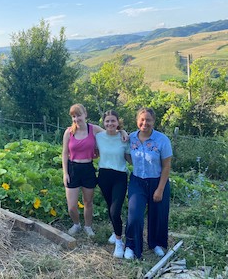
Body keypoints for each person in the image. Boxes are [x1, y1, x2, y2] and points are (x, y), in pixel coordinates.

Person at [62, 104, 128, 237]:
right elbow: (64, 153)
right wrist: (65, 173)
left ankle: (88, 226)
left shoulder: (93, 129)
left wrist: (122, 132)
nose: (76, 119)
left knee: (88, 202)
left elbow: (110, 132)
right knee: (72, 206)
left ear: (85, 114)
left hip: (88, 169)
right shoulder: (69, 132)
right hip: (73, 168)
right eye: (74, 116)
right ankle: (76, 224)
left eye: (79, 115)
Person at [124, 107, 173, 260]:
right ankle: (131, 246)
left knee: (158, 214)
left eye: (148, 120)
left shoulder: (162, 140)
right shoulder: (131, 137)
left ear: (154, 122)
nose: (145, 123)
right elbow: (127, 155)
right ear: (137, 121)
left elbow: (166, 166)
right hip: (137, 181)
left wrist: (160, 189)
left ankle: (156, 244)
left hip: (158, 181)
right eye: (142, 119)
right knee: (134, 215)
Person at [96, 110, 131, 258]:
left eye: (113, 121)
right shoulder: (98, 137)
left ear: (118, 122)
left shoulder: (124, 138)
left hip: (119, 176)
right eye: (107, 121)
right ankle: (115, 231)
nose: (110, 123)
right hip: (103, 175)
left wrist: (123, 132)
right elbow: (85, 125)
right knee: (110, 207)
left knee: (115, 211)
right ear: (103, 123)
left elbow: (130, 159)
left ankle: (119, 242)